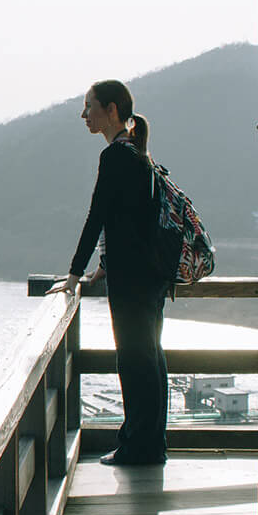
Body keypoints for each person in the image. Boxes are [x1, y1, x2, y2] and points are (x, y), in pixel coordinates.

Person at [55, 79, 169, 466]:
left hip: (133, 280)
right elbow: (131, 222)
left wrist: (74, 274)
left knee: (135, 361)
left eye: (90, 107)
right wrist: (103, 266)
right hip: (150, 277)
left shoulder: (115, 157)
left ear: (112, 111)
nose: (84, 115)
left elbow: (98, 217)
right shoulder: (139, 154)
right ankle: (152, 444)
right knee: (150, 357)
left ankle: (138, 447)